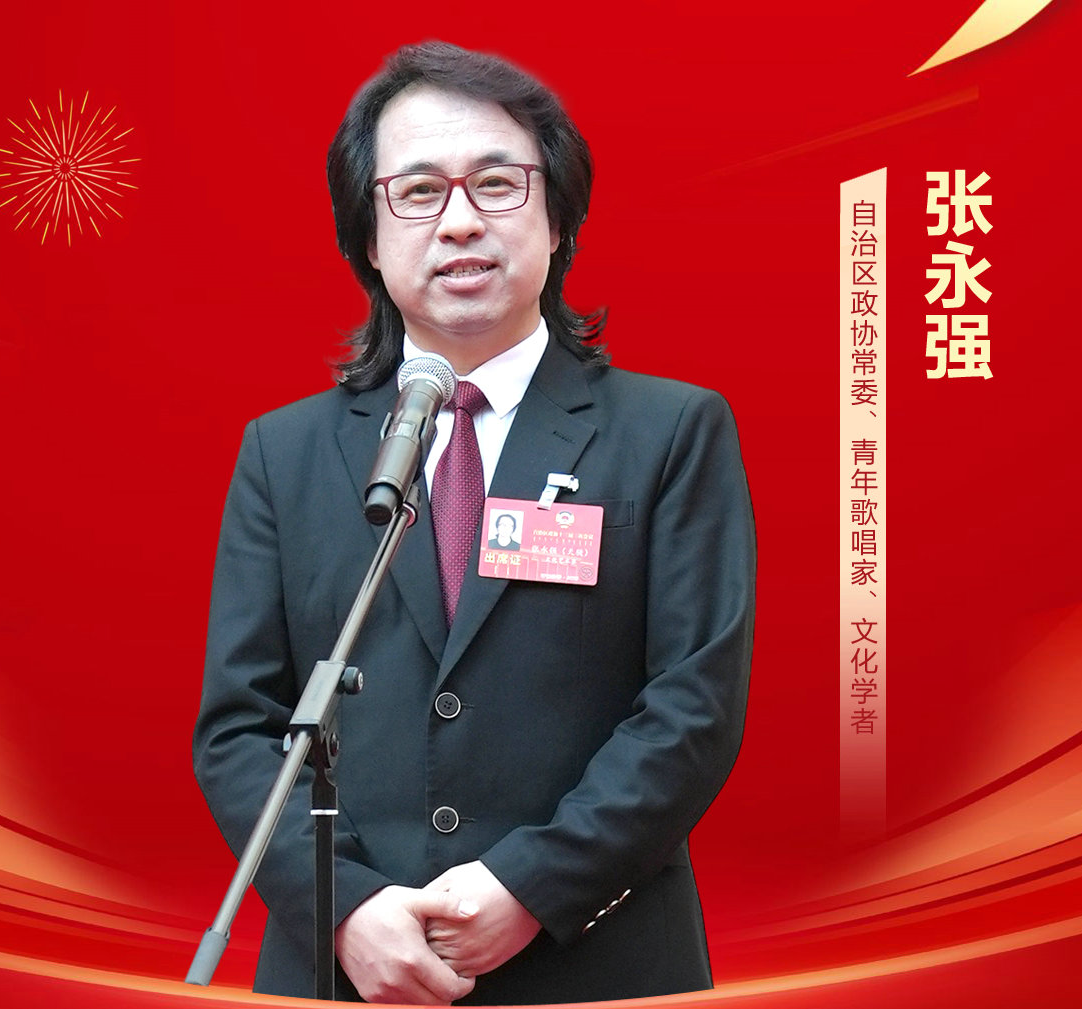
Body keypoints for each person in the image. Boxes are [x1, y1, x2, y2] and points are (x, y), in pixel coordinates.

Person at [193, 41, 756, 1005]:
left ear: (557, 217)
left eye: (496, 184)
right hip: (349, 970)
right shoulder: (283, 454)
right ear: (370, 237)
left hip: (595, 961)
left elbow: (693, 707)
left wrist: (530, 886)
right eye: (417, 192)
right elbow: (241, 728)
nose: (459, 221)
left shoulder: (670, 433)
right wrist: (347, 908)